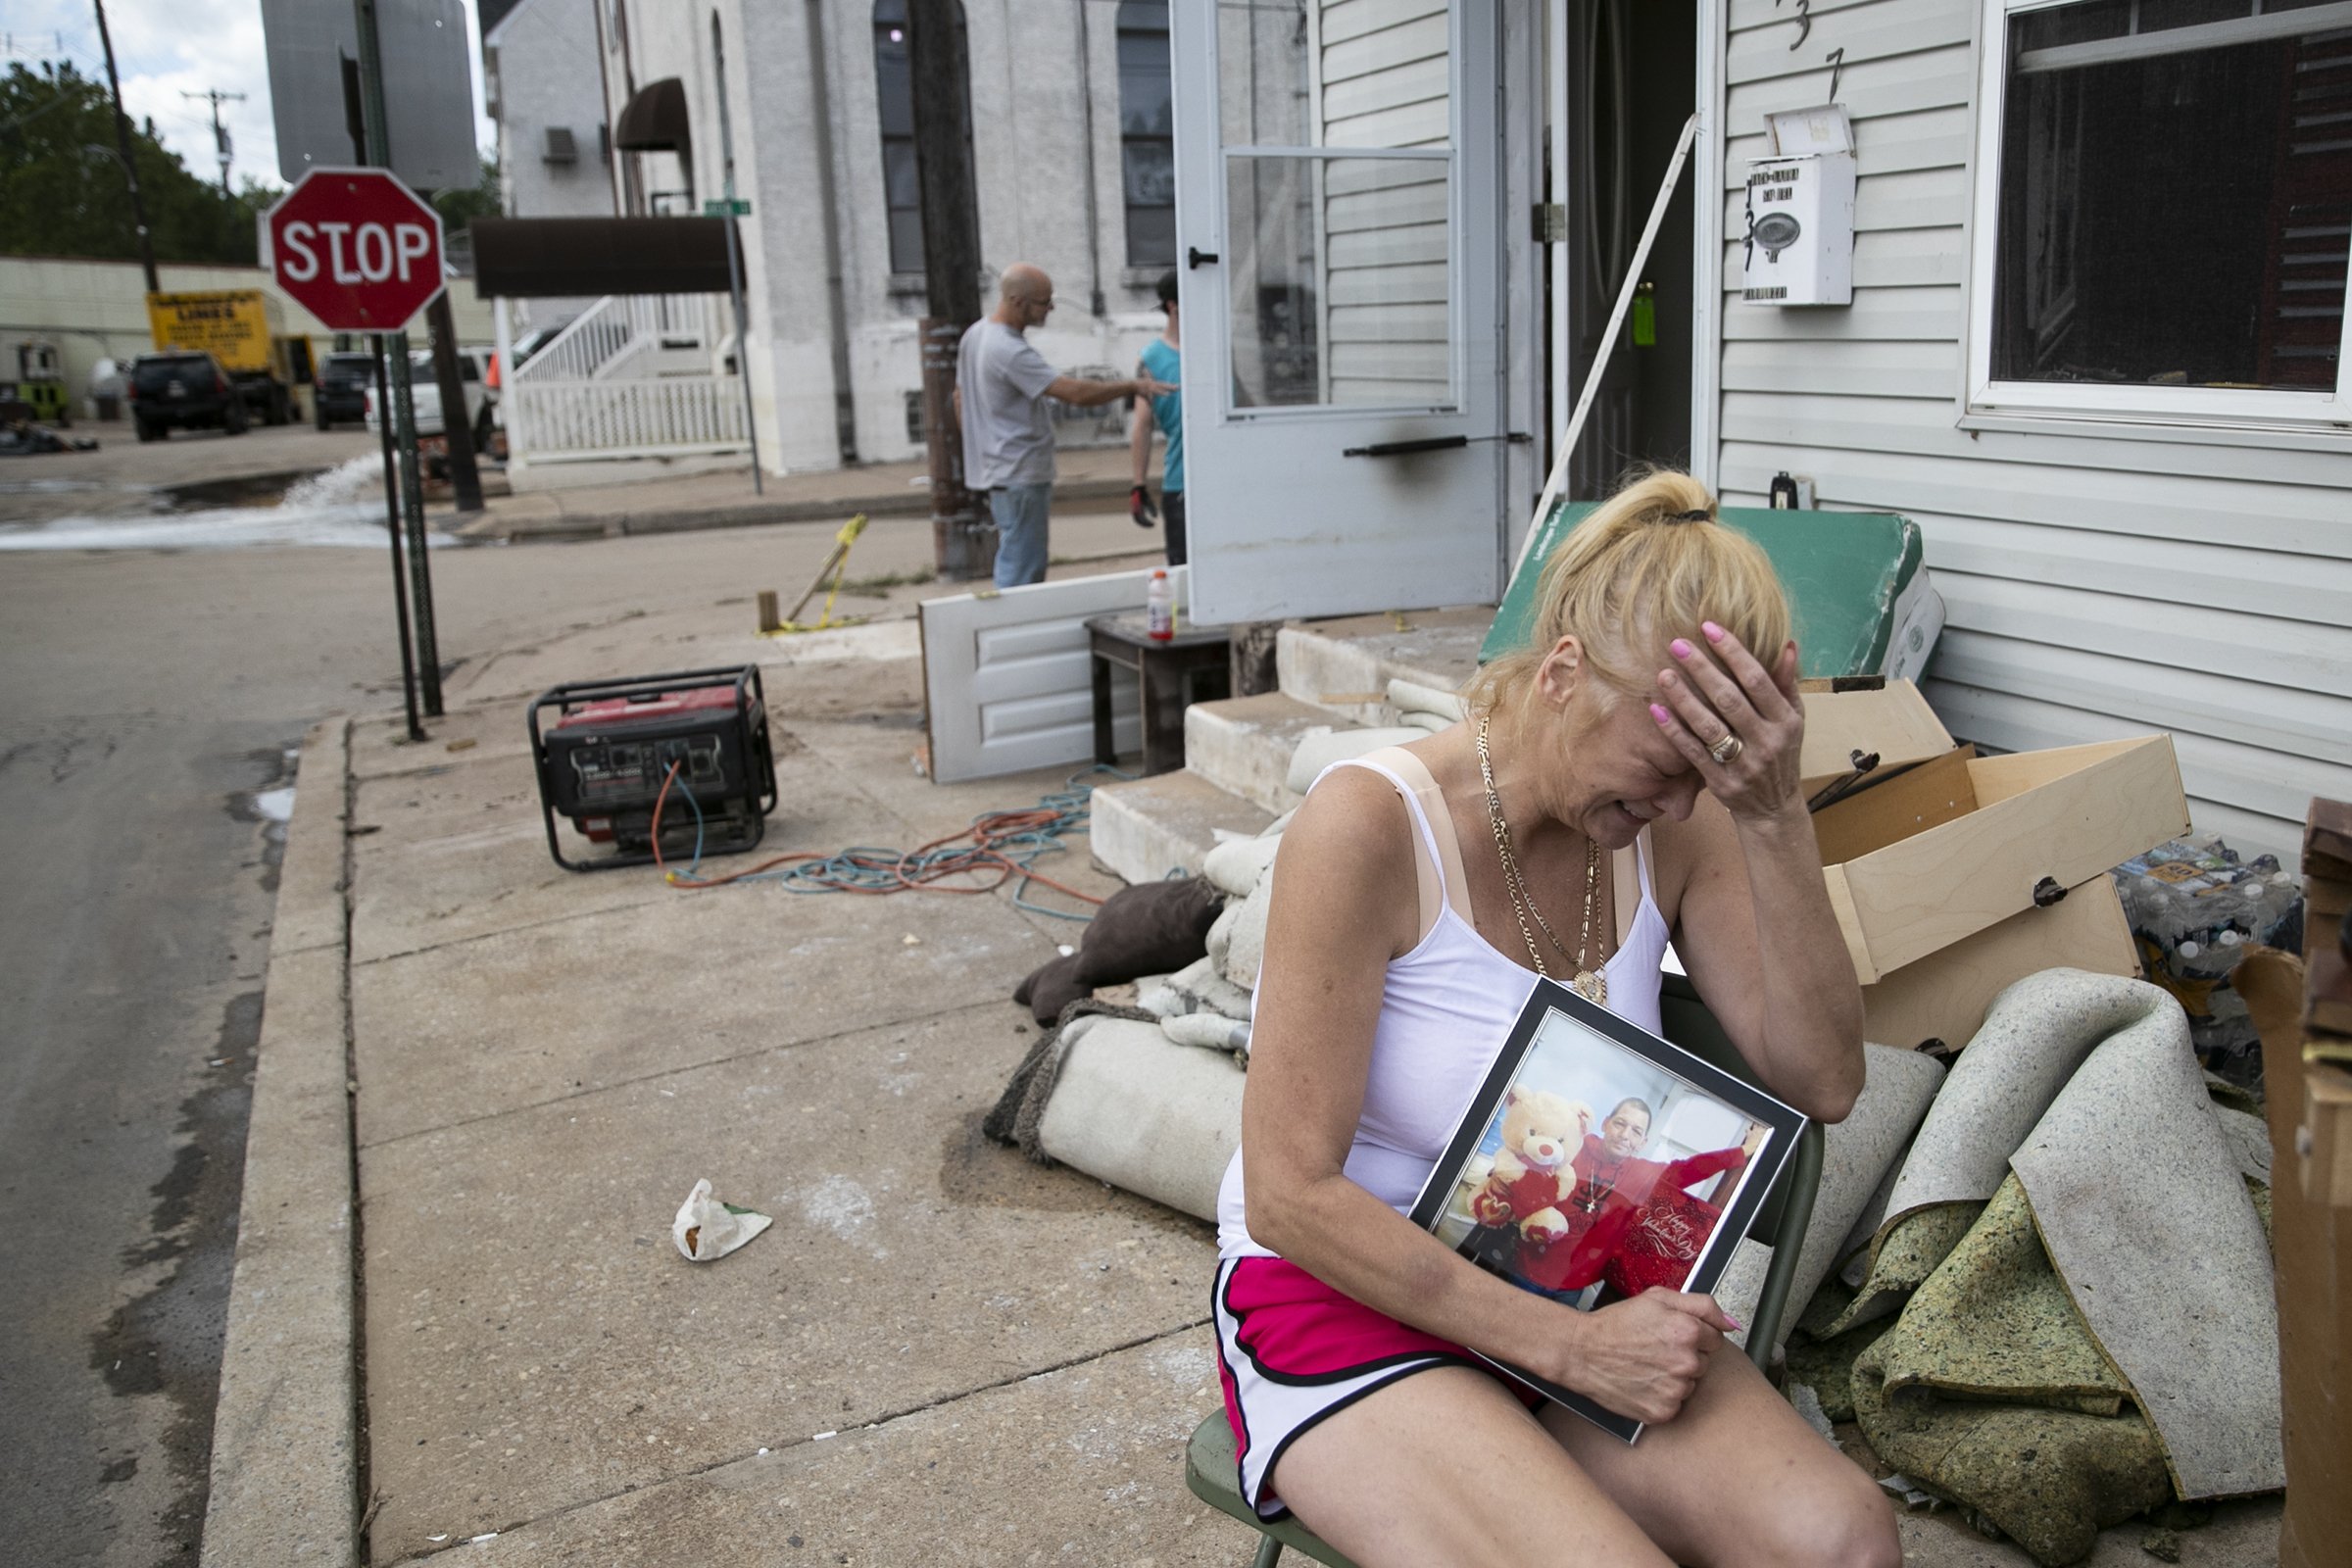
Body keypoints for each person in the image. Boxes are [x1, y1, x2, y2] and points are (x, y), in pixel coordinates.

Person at [1211, 469, 1897, 1567]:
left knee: (1843, 1542)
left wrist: (1771, 816)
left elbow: (1825, 1082)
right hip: (1350, 1290)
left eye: (1709, 776)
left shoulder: (1675, 821)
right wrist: (1573, 1349)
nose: (1677, 806)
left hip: (1567, 1274)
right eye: (1667, 768)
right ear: (1566, 674)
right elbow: (1292, 1194)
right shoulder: (1368, 829)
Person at [955, 264, 1171, 588]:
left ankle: (1014, 629)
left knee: (1016, 557)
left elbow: (960, 398)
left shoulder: (976, 334)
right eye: (1044, 302)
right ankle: (1018, 634)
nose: (1051, 308)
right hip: (1019, 473)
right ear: (1016, 301)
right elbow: (1076, 393)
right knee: (1022, 570)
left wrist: (984, 446)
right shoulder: (1008, 349)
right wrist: (1134, 386)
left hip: (1000, 470)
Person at [1128, 269, 1186, 564]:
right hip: (1181, 487)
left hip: (1225, 480)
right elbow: (1142, 425)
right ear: (1173, 305)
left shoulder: (1215, 351)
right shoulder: (1151, 359)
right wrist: (1139, 484)